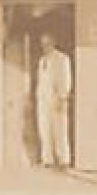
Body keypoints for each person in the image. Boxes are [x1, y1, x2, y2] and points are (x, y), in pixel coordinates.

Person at [34, 33, 73, 169]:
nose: (45, 47)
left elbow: (66, 79)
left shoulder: (62, 59)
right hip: (43, 98)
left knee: (60, 129)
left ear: (53, 43)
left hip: (57, 97)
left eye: (48, 43)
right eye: (43, 44)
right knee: (44, 128)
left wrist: (62, 97)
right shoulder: (42, 60)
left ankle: (63, 159)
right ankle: (47, 159)